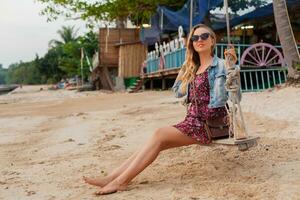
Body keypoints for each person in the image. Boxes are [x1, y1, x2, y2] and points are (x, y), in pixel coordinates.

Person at [83, 24, 238, 195]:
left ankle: (121, 182)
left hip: (210, 124)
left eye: (204, 36)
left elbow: (231, 99)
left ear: (213, 40)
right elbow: (177, 92)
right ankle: (112, 177)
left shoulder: (222, 65)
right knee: (153, 142)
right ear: (191, 43)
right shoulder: (193, 68)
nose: (199, 40)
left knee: (158, 134)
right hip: (192, 122)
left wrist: (232, 68)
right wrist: (185, 68)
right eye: (195, 38)